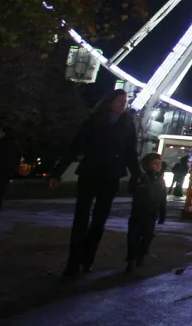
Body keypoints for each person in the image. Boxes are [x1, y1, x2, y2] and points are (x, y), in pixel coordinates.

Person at [49, 89, 143, 279]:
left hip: (108, 175)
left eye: (124, 102)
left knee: (98, 221)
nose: (123, 105)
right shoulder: (95, 121)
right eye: (120, 101)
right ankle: (74, 261)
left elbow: (130, 153)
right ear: (110, 102)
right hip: (92, 173)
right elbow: (75, 147)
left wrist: (137, 174)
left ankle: (86, 258)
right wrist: (57, 172)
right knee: (81, 219)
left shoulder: (127, 125)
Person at [126, 152, 167, 272]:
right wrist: (137, 181)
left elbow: (163, 197)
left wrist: (162, 212)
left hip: (152, 213)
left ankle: (141, 256)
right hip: (138, 212)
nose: (158, 166)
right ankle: (131, 260)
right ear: (147, 165)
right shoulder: (141, 177)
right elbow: (131, 190)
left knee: (147, 236)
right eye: (155, 163)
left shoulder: (160, 180)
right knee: (133, 236)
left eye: (159, 163)